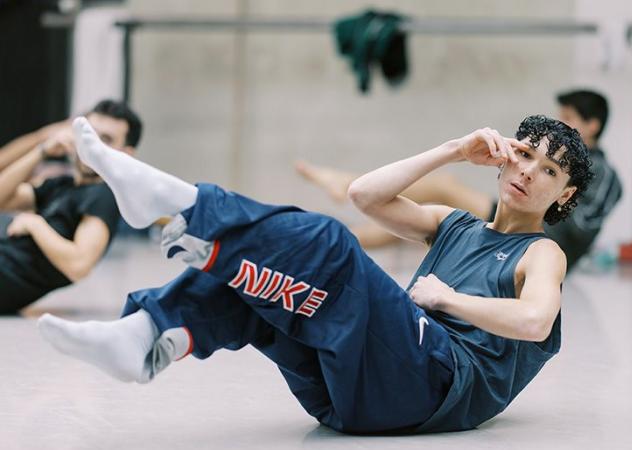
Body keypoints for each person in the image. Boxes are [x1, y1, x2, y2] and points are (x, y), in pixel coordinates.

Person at [38, 114, 592, 433]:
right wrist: (452, 150)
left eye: (549, 170)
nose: (527, 172)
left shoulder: (542, 253)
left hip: (434, 383)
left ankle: (182, 206)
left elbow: (535, 321)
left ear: (563, 193)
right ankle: (146, 336)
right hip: (346, 396)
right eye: (524, 154)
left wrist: (448, 300)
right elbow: (364, 195)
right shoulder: (456, 225)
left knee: (329, 244)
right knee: (262, 293)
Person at [296, 89, 621, 269]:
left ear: (592, 125)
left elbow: (579, 230)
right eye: (524, 156)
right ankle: (334, 240)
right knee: (418, 224)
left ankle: (341, 204)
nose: (528, 169)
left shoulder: (602, 175)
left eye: (568, 118)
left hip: (542, 228)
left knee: (443, 188)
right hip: (525, 223)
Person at [0, 100, 142, 314]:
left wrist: (36, 225)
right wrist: (41, 151)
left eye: (106, 139)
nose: (92, 144)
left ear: (126, 153)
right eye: (88, 134)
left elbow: (79, 265)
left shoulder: (104, 195)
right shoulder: (63, 185)